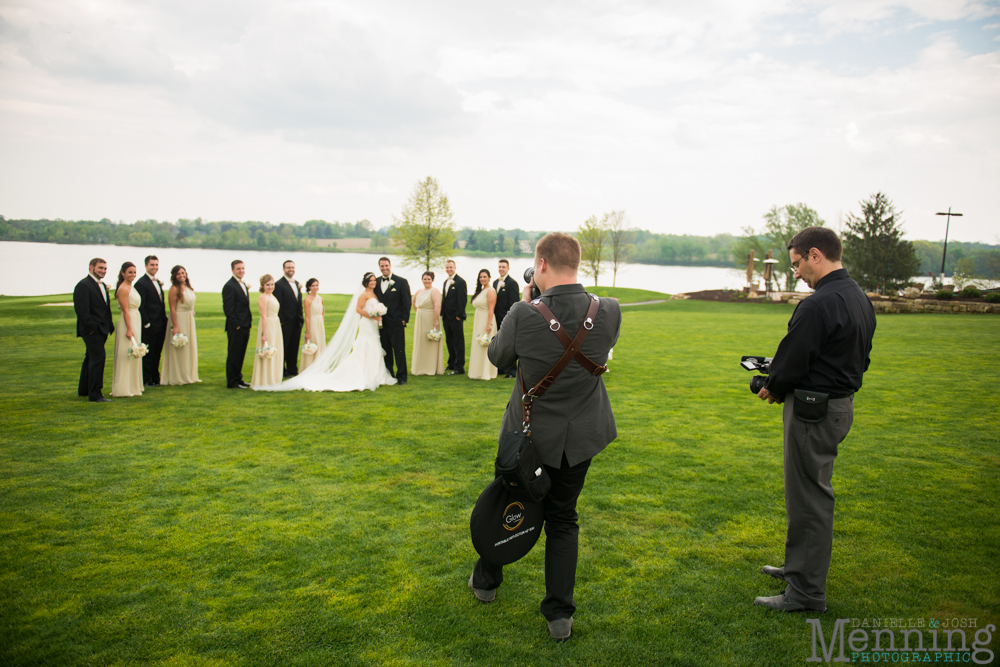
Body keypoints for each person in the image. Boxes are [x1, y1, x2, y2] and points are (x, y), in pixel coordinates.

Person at [468, 232, 621, 642]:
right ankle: (559, 616)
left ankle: (486, 581)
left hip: (528, 437)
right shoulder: (609, 310)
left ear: (541, 264)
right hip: (582, 437)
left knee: (508, 500)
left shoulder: (523, 311)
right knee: (563, 519)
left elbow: (498, 356)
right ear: (577, 263)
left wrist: (526, 305)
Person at [753, 226, 876, 613]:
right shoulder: (857, 297)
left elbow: (792, 361)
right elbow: (859, 357)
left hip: (813, 411)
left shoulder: (818, 304)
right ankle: (798, 568)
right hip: (838, 405)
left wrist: (772, 385)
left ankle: (805, 594)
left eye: (797, 264)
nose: (797, 274)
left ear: (815, 255)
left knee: (808, 499)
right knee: (809, 494)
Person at [254, 272, 397, 393]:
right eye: (370, 281)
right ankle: (364, 375)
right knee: (364, 347)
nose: (373, 283)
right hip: (367, 323)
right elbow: (358, 310)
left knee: (374, 346)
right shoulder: (363, 294)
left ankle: (377, 374)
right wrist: (372, 315)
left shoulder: (375, 293)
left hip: (373, 325)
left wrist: (378, 314)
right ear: (365, 282)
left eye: (373, 281)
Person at [74, 257, 115, 402]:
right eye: (100, 268)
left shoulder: (102, 285)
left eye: (105, 268)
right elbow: (82, 310)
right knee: (98, 358)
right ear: (91, 267)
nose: (103, 271)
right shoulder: (83, 285)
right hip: (92, 330)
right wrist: (92, 328)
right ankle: (95, 393)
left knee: (90, 358)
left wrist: (109, 325)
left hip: (102, 329)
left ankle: (84, 389)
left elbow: (104, 308)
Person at [373, 257, 412, 385]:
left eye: (386, 265)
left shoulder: (401, 282)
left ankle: (402, 377)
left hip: (396, 322)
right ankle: (389, 374)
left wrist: (404, 319)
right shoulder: (376, 282)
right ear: (379, 267)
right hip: (381, 323)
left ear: (390, 265)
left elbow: (406, 302)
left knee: (399, 350)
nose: (384, 268)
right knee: (386, 350)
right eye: (381, 266)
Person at [160, 265, 200, 386]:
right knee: (179, 347)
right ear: (174, 276)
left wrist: (191, 309)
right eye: (178, 274)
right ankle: (177, 376)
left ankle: (188, 375)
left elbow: (190, 301)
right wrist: (175, 326)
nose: (181, 275)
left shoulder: (188, 287)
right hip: (179, 318)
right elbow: (172, 309)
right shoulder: (174, 289)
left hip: (189, 319)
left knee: (188, 347)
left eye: (183, 273)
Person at [110, 262, 144, 398]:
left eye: (134, 272)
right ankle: (123, 388)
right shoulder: (123, 288)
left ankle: (133, 386)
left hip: (136, 319)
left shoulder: (131, 287)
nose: (133, 275)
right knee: (126, 354)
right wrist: (129, 329)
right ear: (123, 273)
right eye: (130, 272)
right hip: (128, 322)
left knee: (134, 353)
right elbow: (125, 311)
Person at [134, 255, 167, 387]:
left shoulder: (158, 282)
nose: (154, 267)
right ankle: (146, 379)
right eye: (152, 265)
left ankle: (155, 377)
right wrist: (147, 323)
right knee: (148, 353)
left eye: (156, 265)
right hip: (149, 325)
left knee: (157, 352)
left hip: (161, 323)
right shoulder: (141, 283)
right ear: (146, 266)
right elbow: (140, 305)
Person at [222, 260, 253, 389]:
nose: (241, 271)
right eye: (238, 269)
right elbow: (228, 308)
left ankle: (238, 378)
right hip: (237, 326)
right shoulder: (229, 286)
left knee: (241, 353)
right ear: (232, 270)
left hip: (245, 324)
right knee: (234, 353)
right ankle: (232, 382)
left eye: (243, 268)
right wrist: (236, 325)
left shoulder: (242, 284)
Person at [251, 275, 284, 388]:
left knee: (275, 349)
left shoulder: (271, 295)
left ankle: (273, 378)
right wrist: (265, 333)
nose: (270, 287)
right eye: (268, 285)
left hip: (275, 323)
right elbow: (263, 316)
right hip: (268, 324)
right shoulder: (263, 297)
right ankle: (265, 380)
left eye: (272, 284)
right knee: (267, 349)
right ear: (263, 286)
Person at [274, 260, 304, 379]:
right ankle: (282, 370)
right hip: (285, 322)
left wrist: (300, 319)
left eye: (292, 267)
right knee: (284, 346)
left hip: (297, 321)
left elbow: (298, 303)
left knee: (294, 346)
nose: (290, 269)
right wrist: (281, 320)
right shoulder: (279, 284)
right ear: (283, 269)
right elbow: (278, 304)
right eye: (288, 267)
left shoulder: (297, 283)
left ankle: (292, 368)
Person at [410, 271, 444, 376]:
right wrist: (418, 311)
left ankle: (430, 367)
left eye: (429, 279)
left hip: (431, 319)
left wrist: (435, 321)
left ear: (432, 280)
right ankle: (420, 366)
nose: (427, 281)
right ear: (422, 280)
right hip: (420, 319)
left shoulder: (434, 291)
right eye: (425, 279)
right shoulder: (419, 291)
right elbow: (413, 301)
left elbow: (437, 305)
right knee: (421, 341)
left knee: (430, 342)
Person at [468, 269, 498, 381]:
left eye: (485, 277)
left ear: (489, 278)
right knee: (478, 344)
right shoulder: (481, 290)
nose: (482, 279)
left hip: (486, 319)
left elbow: (491, 309)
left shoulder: (490, 291)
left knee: (485, 345)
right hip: (479, 319)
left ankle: (485, 372)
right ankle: (477, 371)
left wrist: (488, 324)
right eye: (481, 277)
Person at [492, 259, 520, 378]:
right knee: (499, 344)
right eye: (499, 267)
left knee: (509, 345)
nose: (501, 269)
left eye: (503, 267)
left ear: (508, 268)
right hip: (496, 319)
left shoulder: (512, 283)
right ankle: (501, 368)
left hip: (507, 319)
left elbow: (514, 304)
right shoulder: (494, 283)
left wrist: (510, 320)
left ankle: (512, 371)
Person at [441, 259, 468, 375]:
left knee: (458, 342)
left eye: (451, 267)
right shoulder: (445, 282)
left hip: (456, 317)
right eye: (447, 267)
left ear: (455, 268)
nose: (449, 269)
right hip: (446, 317)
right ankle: (451, 363)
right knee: (449, 341)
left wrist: (458, 315)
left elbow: (462, 300)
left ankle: (459, 367)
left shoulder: (460, 282)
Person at [300, 278, 326, 372]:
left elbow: (323, 310)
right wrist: (308, 331)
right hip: (312, 324)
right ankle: (309, 369)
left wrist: (321, 318)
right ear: (309, 287)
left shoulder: (320, 298)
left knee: (320, 344)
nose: (315, 287)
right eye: (313, 286)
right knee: (314, 343)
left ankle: (320, 368)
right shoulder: (307, 299)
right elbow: (307, 316)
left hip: (319, 324)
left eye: (316, 285)